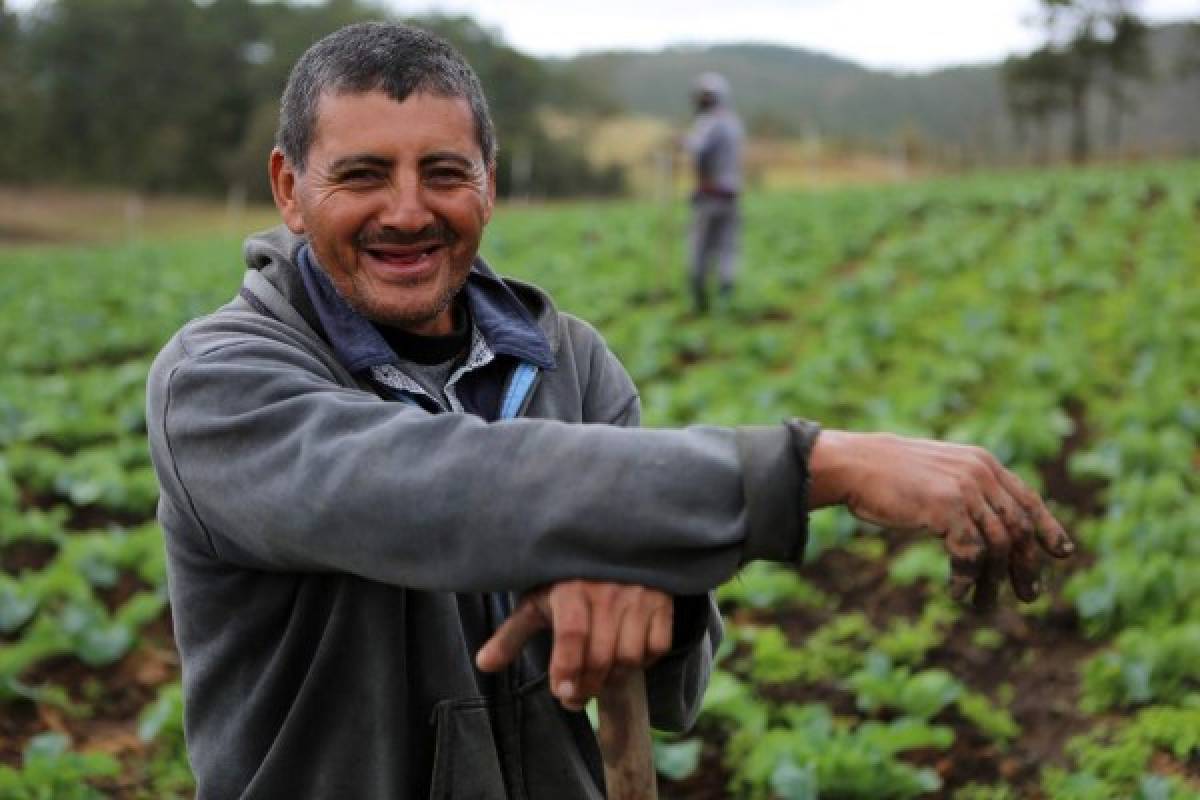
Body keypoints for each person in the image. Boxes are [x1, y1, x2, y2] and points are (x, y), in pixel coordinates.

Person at [145, 22, 1074, 800]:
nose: (406, 210)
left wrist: (643, 580)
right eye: (360, 176)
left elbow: (677, 683)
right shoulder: (220, 381)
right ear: (288, 191)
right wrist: (814, 466)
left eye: (443, 171)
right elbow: (431, 486)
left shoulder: (568, 360)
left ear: (490, 183)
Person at [683, 71, 744, 313]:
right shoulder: (734, 123)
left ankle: (702, 302)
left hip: (709, 196)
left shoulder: (707, 123)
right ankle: (725, 301)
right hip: (731, 194)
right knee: (728, 249)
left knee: (699, 251)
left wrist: (702, 181)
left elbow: (699, 151)